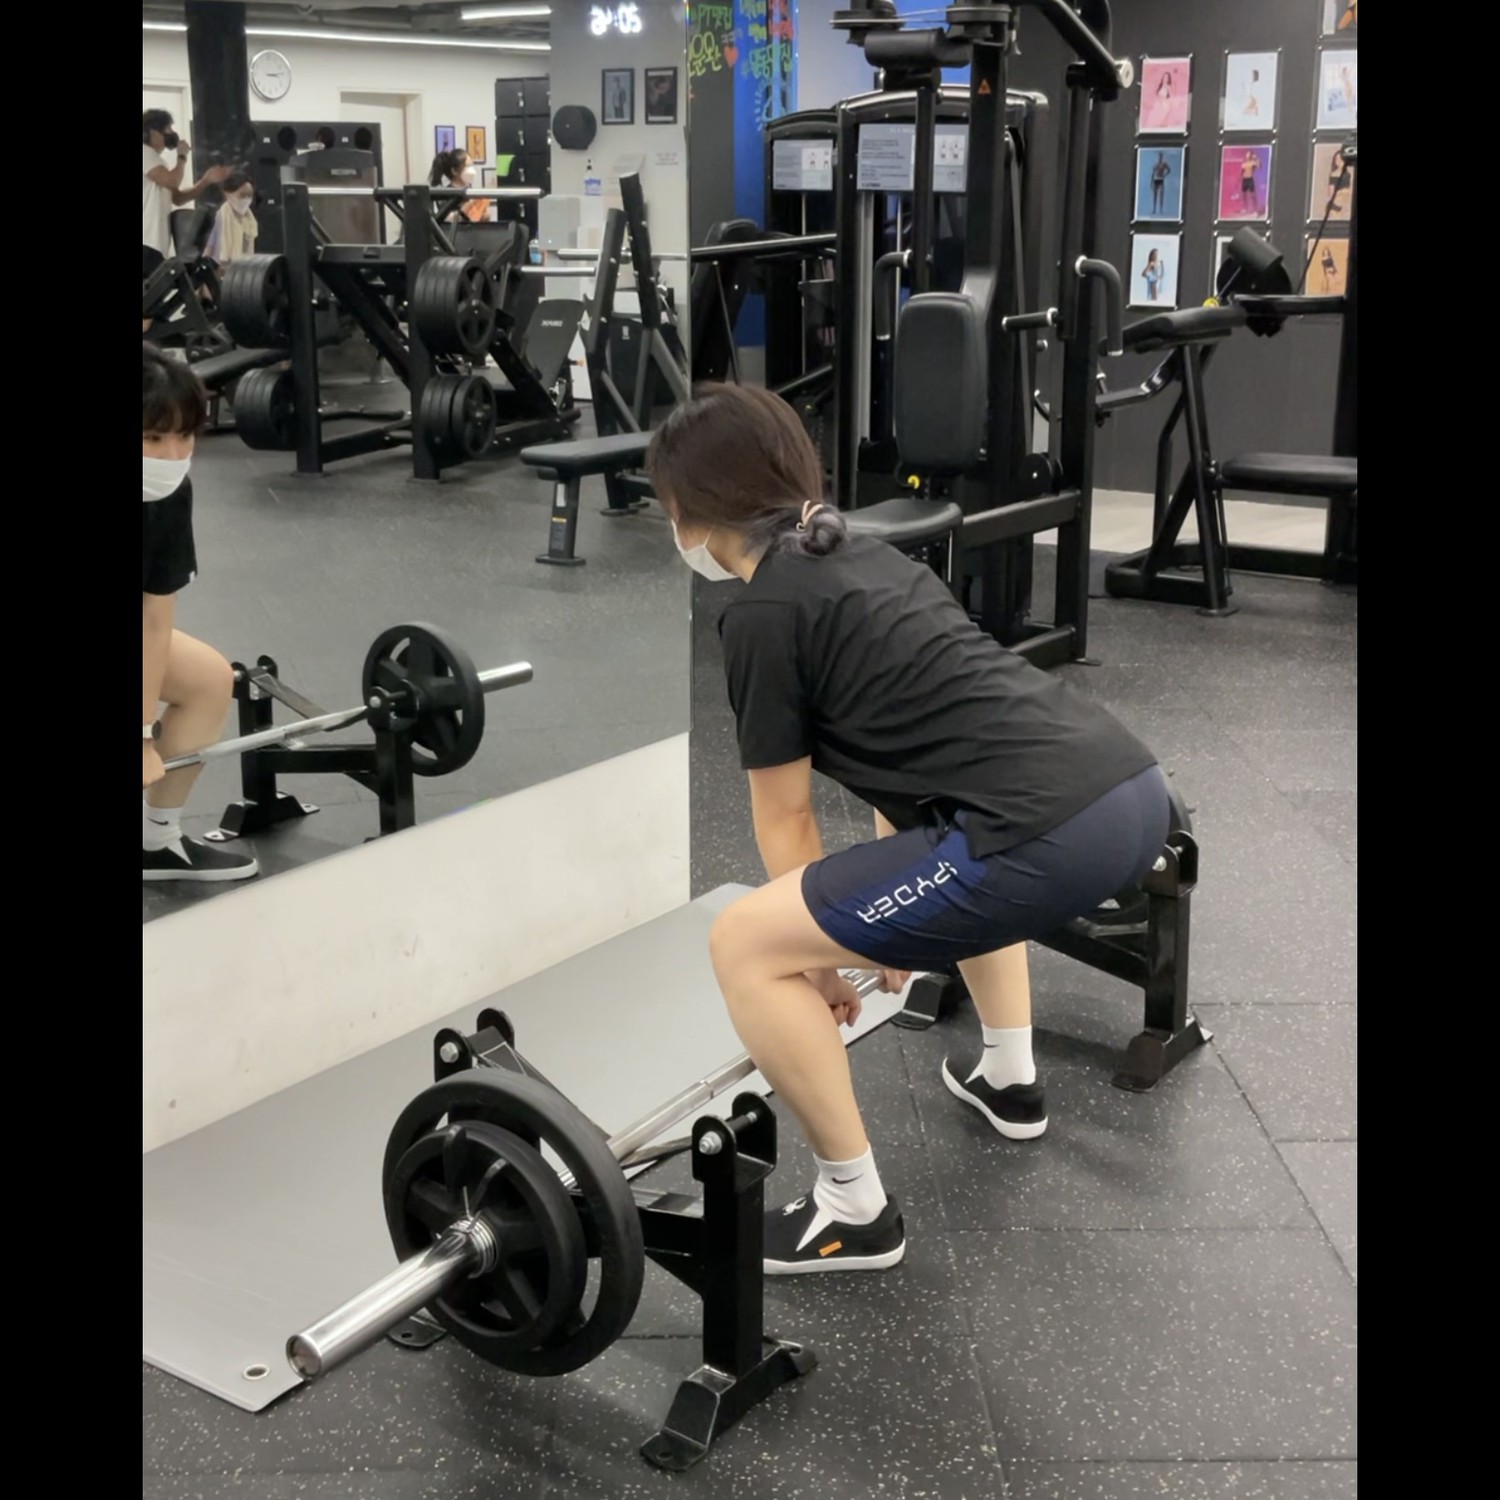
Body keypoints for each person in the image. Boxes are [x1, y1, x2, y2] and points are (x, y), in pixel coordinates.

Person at [646, 385, 1170, 1274]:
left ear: (690, 509)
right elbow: (917, 762)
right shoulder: (867, 552)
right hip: (1129, 790)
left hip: (1043, 834)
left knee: (745, 943)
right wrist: (877, 921)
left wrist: (817, 962)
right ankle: (1009, 1076)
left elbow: (785, 815)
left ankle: (851, 1211)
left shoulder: (762, 614)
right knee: (960, 837)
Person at [143, 345, 260, 884]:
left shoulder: (167, 491)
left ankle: (155, 841)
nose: (171, 456)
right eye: (152, 439)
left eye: (183, 436)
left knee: (211, 679)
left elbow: (154, 616)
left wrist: (144, 734)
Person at [143, 109, 230, 292]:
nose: (170, 134)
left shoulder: (157, 162)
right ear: (150, 132)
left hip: (155, 243)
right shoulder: (145, 153)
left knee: (151, 298)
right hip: (146, 240)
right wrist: (182, 157)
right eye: (166, 129)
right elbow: (172, 181)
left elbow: (178, 198)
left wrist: (206, 181)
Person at [204, 172, 258, 266]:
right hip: (220, 267)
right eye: (242, 195)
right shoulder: (218, 216)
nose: (246, 199)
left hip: (243, 267)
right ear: (228, 194)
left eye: (249, 195)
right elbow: (209, 247)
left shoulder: (250, 219)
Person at [429, 148, 488, 225]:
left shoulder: (470, 193)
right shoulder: (444, 194)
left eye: (471, 165)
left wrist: (484, 216)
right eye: (467, 166)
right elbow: (445, 220)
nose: (472, 170)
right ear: (454, 171)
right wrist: (466, 208)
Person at [1240, 150, 1260, 216]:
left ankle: (1255, 211)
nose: (1248, 155)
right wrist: (1239, 178)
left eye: (1249, 154)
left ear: (1251, 155)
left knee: (1252, 195)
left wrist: (1257, 157)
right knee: (1244, 195)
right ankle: (1245, 209)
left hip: (1250, 179)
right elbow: (1242, 171)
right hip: (1244, 179)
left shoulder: (1253, 162)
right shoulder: (1244, 163)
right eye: (1247, 154)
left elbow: (1259, 166)